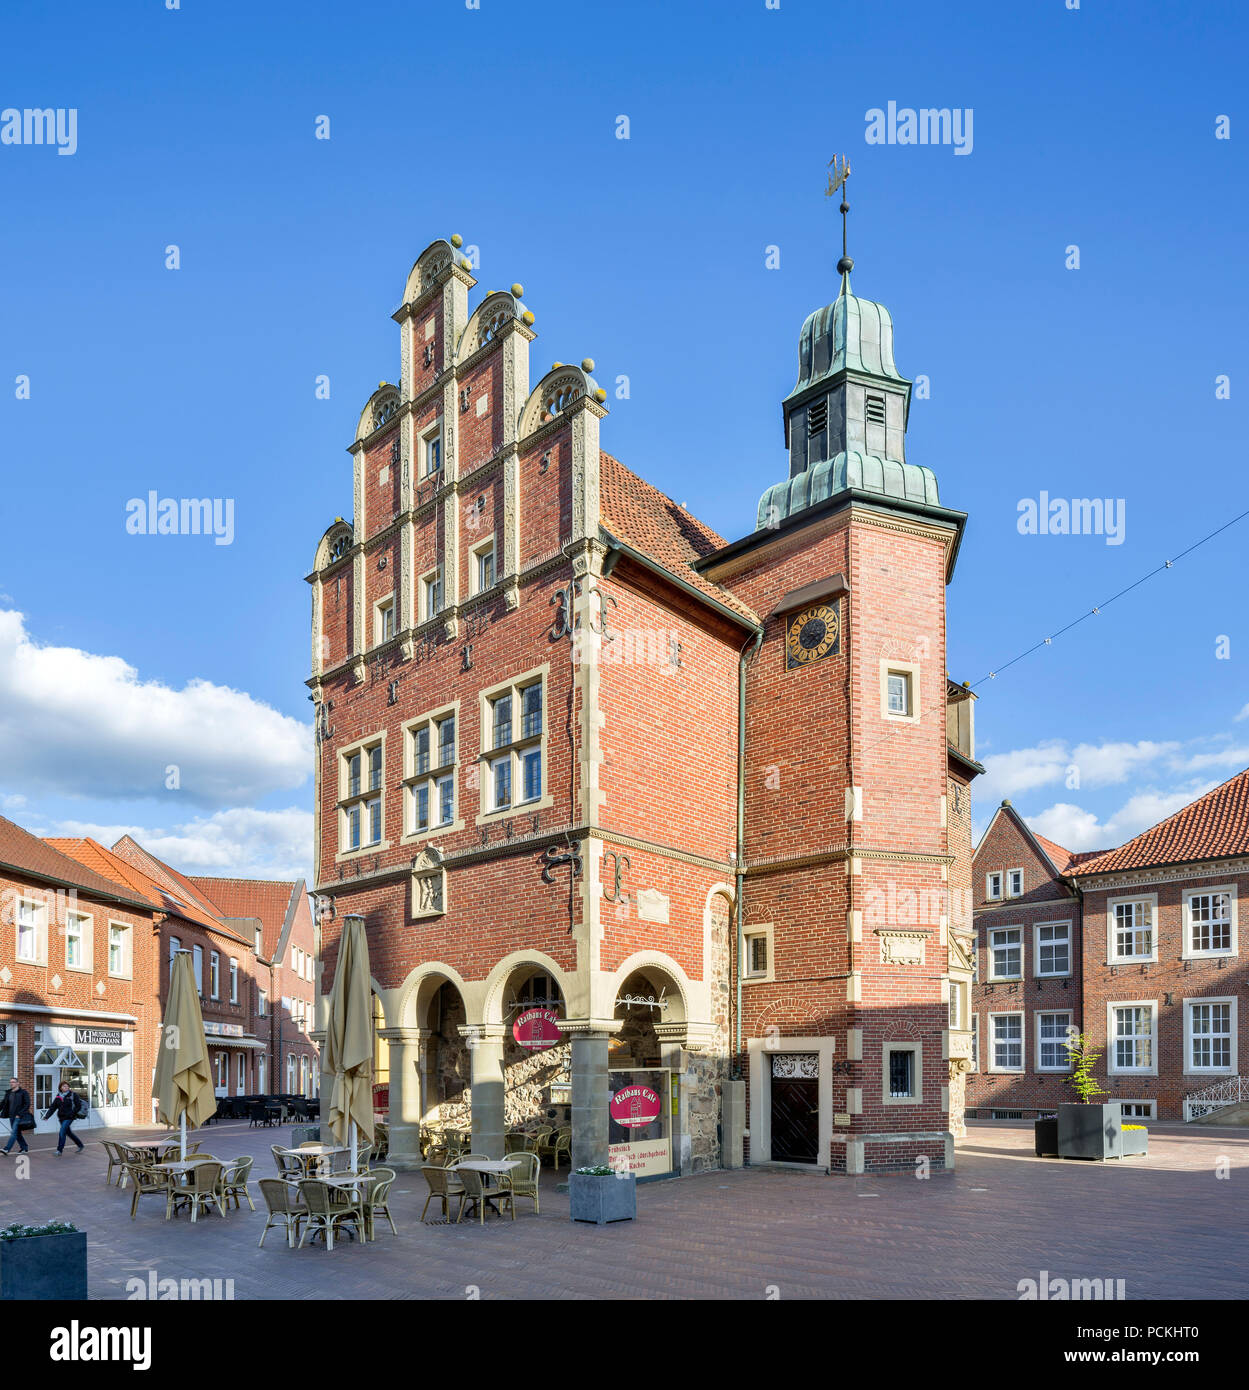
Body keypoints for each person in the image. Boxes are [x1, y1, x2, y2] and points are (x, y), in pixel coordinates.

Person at [44, 1082, 86, 1155]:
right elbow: (53, 1108)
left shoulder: (73, 1095)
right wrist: (47, 1116)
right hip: (61, 1118)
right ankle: (80, 1145)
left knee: (62, 1132)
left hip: (70, 1117)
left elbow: (78, 1106)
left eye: (67, 1086)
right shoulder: (58, 1097)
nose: (66, 1087)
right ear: (60, 1088)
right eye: (64, 1086)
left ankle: (59, 1150)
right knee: (68, 1133)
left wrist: (72, 1113)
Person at [1, 1077, 33, 1155]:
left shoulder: (23, 1092)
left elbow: (27, 1104)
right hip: (11, 1116)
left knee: (14, 1133)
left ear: (18, 1083)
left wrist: (19, 1114)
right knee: (17, 1133)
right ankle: (24, 1148)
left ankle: (6, 1149)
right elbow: (3, 1103)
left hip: (19, 1117)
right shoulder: (8, 1093)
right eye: (10, 1082)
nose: (11, 1083)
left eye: (13, 1082)